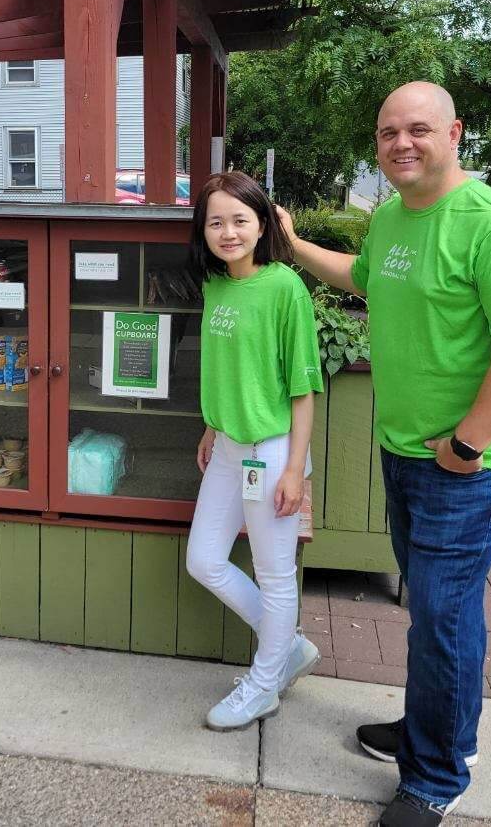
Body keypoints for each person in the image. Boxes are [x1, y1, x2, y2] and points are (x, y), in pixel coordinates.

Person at [279, 82, 491, 827]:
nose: (400, 143)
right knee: (439, 611)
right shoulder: (395, 218)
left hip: (469, 467)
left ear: (455, 133)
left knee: (441, 613)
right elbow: (362, 279)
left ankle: (435, 775)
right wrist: (294, 245)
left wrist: (466, 444)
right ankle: (430, 730)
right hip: (406, 455)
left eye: (417, 129)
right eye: (386, 132)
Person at [186, 171, 325, 731]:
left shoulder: (284, 288)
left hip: (271, 455)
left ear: (262, 224)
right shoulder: (216, 285)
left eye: (240, 220)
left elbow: (304, 386)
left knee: (274, 575)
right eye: (216, 221)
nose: (228, 231)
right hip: (226, 448)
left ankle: (264, 684)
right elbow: (228, 374)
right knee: (204, 560)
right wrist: (211, 426)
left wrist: (294, 467)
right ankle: (285, 647)